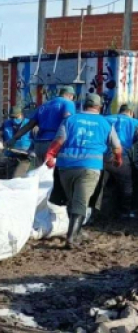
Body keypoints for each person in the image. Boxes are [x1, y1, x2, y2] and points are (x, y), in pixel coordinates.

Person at [45, 93, 122, 249]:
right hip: (90, 167)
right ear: (99, 107)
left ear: (84, 105)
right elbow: (117, 146)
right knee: (81, 202)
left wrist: (50, 154)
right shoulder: (105, 123)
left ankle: (76, 232)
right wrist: (118, 159)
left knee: (71, 200)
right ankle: (72, 238)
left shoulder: (70, 120)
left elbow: (59, 140)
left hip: (66, 166)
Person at [7, 86, 76, 163]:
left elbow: (29, 125)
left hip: (39, 145)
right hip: (54, 145)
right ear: (70, 95)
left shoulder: (43, 106)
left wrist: (14, 138)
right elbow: (68, 119)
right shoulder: (68, 103)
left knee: (42, 173)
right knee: (57, 173)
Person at [105, 104, 138, 218]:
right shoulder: (134, 122)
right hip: (121, 157)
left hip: (103, 157)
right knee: (127, 184)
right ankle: (125, 211)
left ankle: (96, 211)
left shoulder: (106, 119)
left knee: (100, 186)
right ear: (130, 112)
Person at [0, 105, 34, 178]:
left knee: (17, 179)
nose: (14, 119)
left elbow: (37, 137)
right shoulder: (6, 124)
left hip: (25, 158)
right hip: (11, 158)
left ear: (21, 115)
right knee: (10, 181)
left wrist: (34, 151)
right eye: (12, 117)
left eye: (16, 117)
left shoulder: (30, 124)